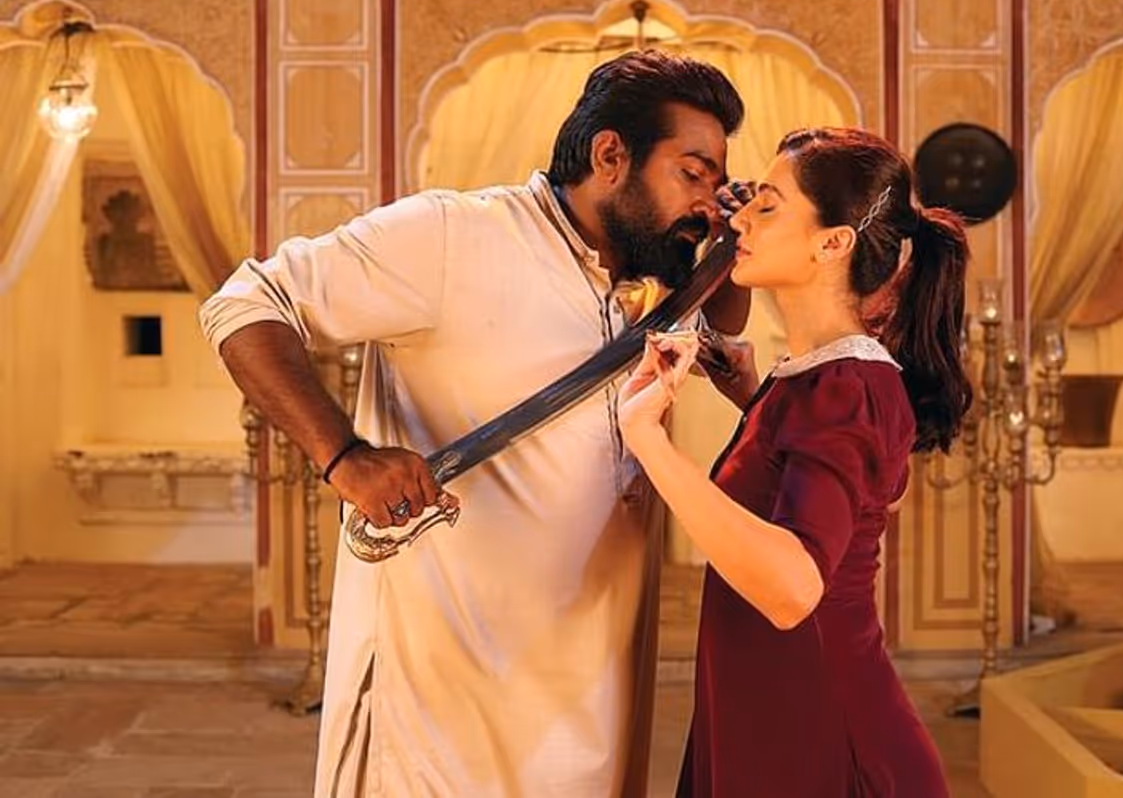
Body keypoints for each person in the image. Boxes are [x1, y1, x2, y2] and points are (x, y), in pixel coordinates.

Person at [199, 50, 751, 797]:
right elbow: (245, 303)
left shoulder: (636, 287)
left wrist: (726, 252)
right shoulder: (452, 236)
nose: (707, 203)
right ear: (610, 156)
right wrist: (344, 456)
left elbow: (717, 333)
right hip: (448, 698)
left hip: (593, 693)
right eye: (693, 174)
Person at [617, 127, 970, 797]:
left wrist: (648, 439)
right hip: (774, 714)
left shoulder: (848, 385)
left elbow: (791, 589)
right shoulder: (819, 379)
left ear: (832, 243)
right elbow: (843, 484)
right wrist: (753, 400)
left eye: (768, 206)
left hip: (819, 736)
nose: (739, 220)